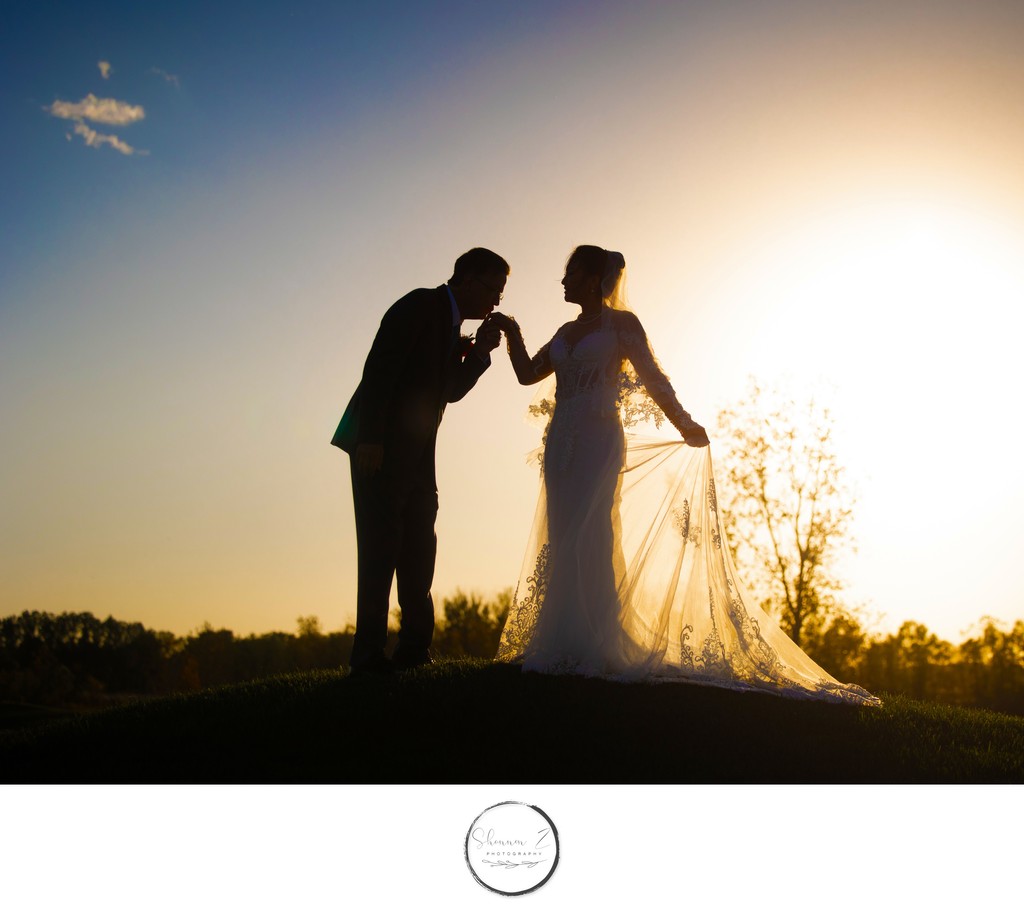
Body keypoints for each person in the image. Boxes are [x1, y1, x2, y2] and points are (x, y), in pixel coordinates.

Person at [489, 246, 878, 704]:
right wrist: (513, 333)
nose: (562, 282)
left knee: (592, 534)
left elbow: (653, 377)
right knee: (562, 533)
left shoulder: (622, 327)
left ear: (594, 279)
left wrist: (684, 422)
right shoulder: (565, 331)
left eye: (570, 273)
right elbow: (528, 375)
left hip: (597, 443)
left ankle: (597, 643)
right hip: (561, 447)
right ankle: (561, 643)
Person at [332, 248, 507, 676]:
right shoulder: (419, 305)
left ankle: (414, 648)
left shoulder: (451, 328)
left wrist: (481, 353)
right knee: (379, 550)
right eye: (493, 290)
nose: (495, 302)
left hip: (418, 457)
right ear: (466, 280)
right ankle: (368, 656)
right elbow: (379, 370)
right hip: (380, 450)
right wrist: (371, 439)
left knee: (419, 548)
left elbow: (449, 390)